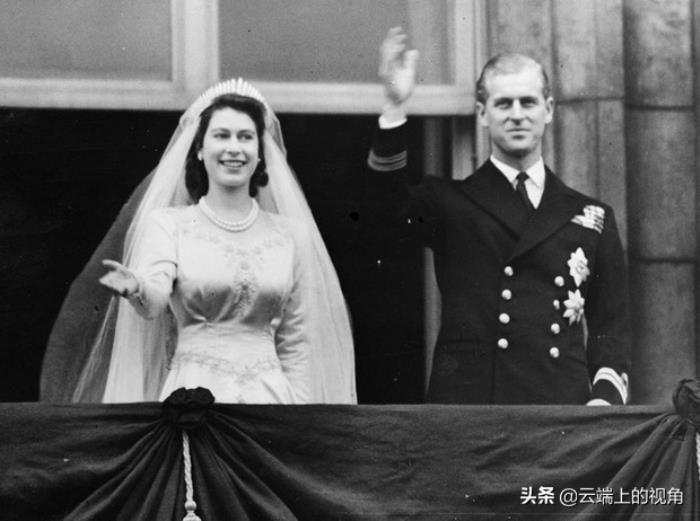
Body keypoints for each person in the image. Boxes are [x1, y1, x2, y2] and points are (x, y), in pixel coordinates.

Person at [41, 78, 356, 404]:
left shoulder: (291, 235)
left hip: (271, 403)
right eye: (221, 135)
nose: (234, 148)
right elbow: (155, 299)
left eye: (245, 137)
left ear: (260, 153)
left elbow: (297, 339)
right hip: (195, 399)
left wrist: (299, 419)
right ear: (200, 149)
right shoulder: (169, 224)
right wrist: (137, 288)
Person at [367, 28, 631, 405]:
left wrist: (604, 399)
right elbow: (384, 213)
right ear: (483, 113)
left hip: (560, 409)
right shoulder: (450, 202)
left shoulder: (591, 216)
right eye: (504, 104)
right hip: (473, 408)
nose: (517, 115)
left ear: (548, 110)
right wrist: (394, 107)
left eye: (528, 102)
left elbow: (611, 326)